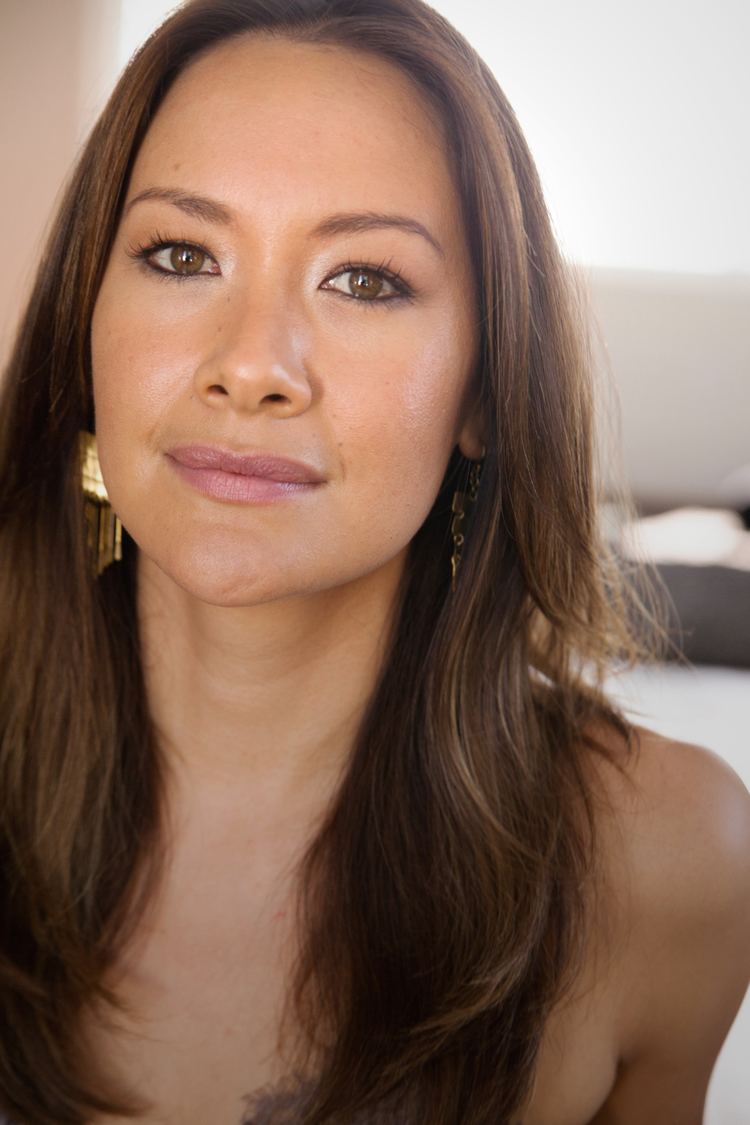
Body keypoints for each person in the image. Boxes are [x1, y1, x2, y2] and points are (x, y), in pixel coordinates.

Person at [0, 0, 748, 1122]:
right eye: (182, 254)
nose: (251, 366)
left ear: (484, 393)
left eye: (364, 279)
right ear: (86, 326)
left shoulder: (670, 860)